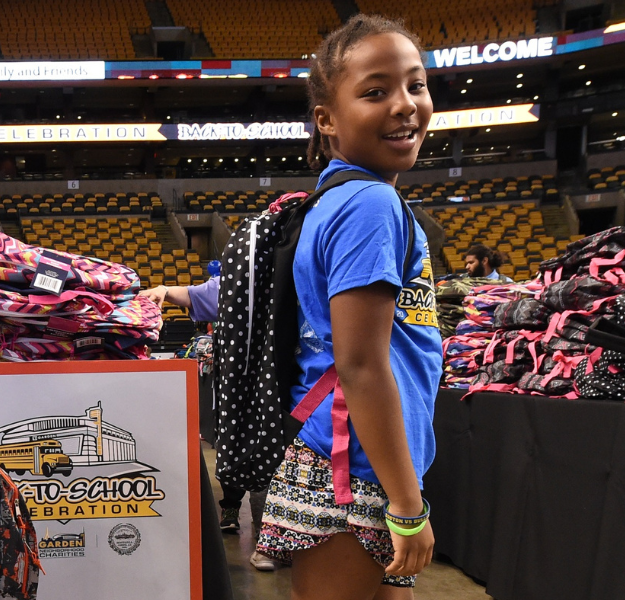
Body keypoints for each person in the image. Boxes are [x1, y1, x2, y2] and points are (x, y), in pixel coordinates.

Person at [253, 15, 439, 599]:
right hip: (351, 468)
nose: (406, 105)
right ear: (327, 120)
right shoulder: (368, 205)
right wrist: (408, 505)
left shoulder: (341, 198)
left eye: (416, 84)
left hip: (359, 462)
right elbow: (361, 364)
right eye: (376, 91)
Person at [142, 279, 282, 572]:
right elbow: (206, 293)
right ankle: (259, 534)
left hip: (289, 384)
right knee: (245, 451)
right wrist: (165, 291)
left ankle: (269, 538)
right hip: (245, 387)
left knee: (270, 460)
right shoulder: (248, 270)